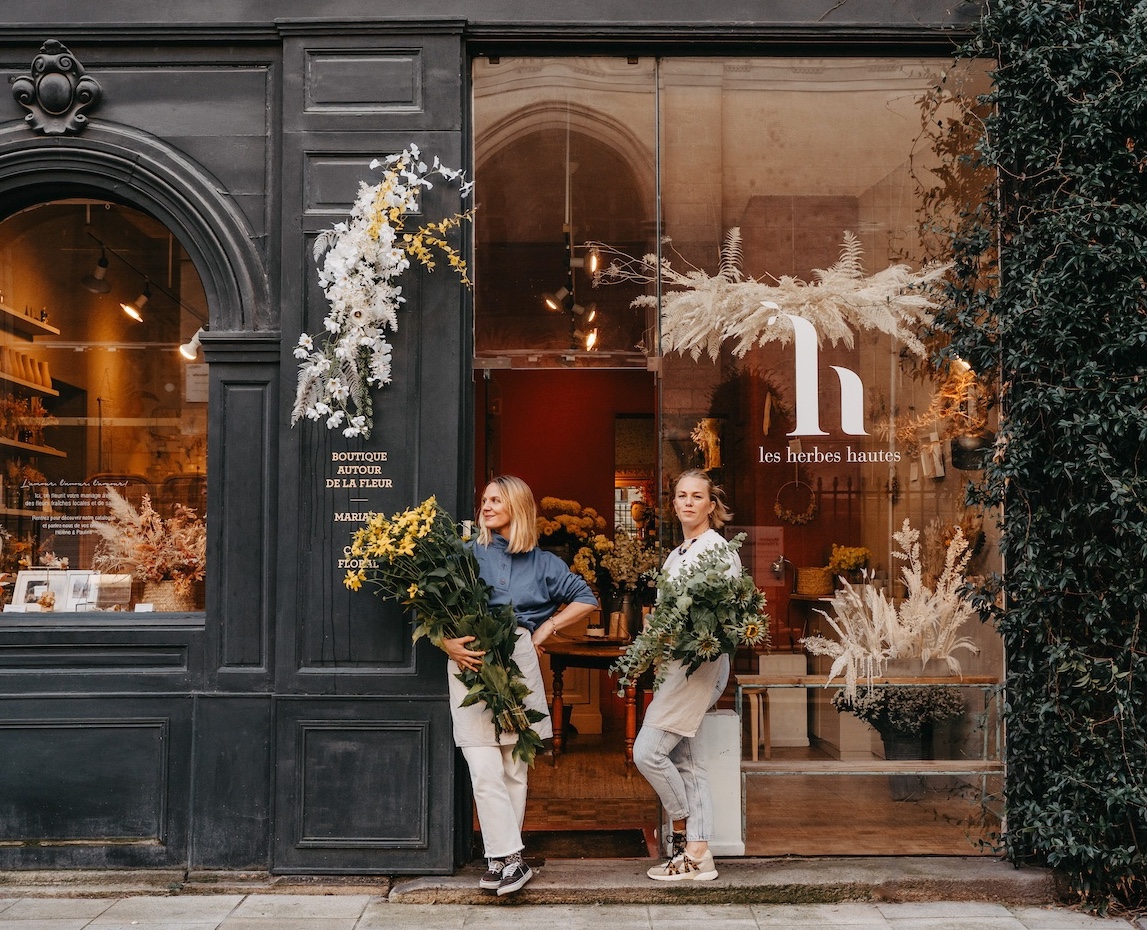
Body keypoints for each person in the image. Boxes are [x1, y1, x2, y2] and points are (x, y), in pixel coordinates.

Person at [442, 475, 598, 896]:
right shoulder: (465, 553)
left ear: (518, 506)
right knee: (483, 763)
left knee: (513, 765)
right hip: (471, 660)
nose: (487, 506)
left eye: (497, 499)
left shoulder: (545, 563)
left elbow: (586, 599)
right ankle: (511, 857)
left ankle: (501, 861)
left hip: (517, 657)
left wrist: (546, 627)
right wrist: (444, 641)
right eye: (485, 500)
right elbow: (433, 601)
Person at [633, 468, 738, 882]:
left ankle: (684, 830)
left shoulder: (718, 550)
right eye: (682, 495)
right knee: (686, 760)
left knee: (648, 752)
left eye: (698, 495)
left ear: (712, 505)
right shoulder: (679, 553)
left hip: (699, 666)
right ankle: (699, 854)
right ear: (673, 503)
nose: (689, 502)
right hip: (676, 666)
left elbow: (718, 616)